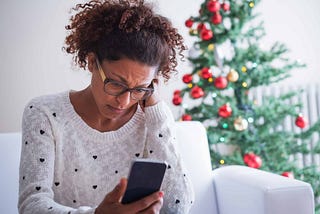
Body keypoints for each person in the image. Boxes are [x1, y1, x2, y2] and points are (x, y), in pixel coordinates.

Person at [18, 0, 195, 213]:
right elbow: (31, 204)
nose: (125, 101)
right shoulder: (44, 113)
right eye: (116, 84)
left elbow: (180, 206)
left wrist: (157, 112)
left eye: (139, 89)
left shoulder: (152, 119)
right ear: (92, 62)